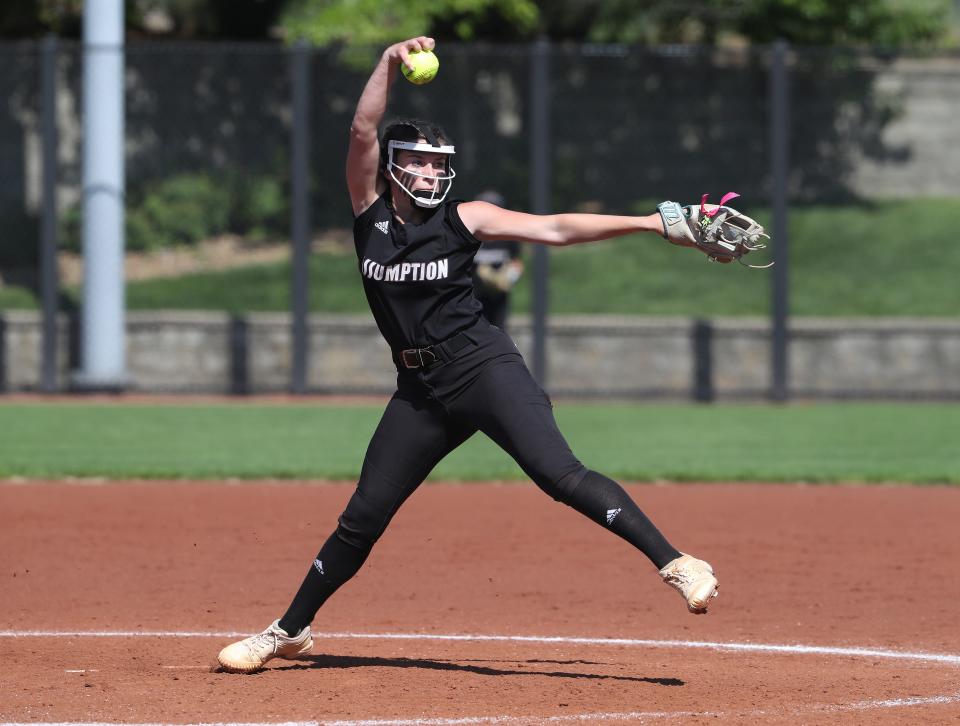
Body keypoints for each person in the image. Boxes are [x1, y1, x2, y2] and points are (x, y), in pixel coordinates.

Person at [217, 36, 719, 674]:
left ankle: (678, 563)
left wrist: (651, 223)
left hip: (482, 367)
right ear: (395, 167)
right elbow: (362, 127)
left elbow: (556, 226)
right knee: (363, 517)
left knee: (559, 476)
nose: (431, 173)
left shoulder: (465, 218)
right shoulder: (368, 216)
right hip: (421, 391)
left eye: (439, 163)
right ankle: (287, 630)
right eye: (420, 163)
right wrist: (389, 62)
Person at [470, 190, 524, 331]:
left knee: (499, 329)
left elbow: (516, 263)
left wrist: (508, 278)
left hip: (499, 295)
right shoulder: (471, 233)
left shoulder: (508, 234)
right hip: (475, 295)